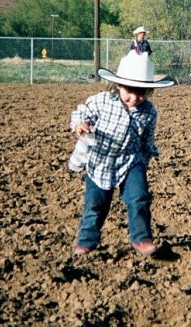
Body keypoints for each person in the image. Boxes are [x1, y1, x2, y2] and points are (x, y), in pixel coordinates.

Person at [69, 50, 173, 256]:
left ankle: (142, 238)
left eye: (142, 92)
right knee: (96, 203)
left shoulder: (149, 112)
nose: (135, 98)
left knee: (139, 197)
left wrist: (146, 158)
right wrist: (80, 124)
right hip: (100, 160)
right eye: (130, 91)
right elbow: (81, 111)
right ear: (118, 85)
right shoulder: (101, 101)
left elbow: (147, 139)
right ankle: (86, 242)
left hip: (131, 160)